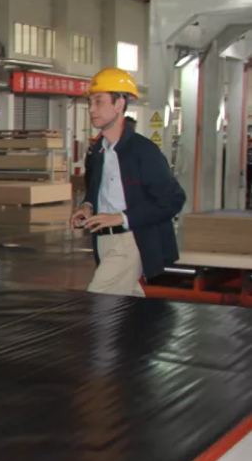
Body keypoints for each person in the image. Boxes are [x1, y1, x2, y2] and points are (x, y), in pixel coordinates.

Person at [70, 68, 186, 296]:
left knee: (98, 300)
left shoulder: (143, 151)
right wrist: (87, 205)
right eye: (90, 101)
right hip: (103, 240)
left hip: (131, 239)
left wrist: (121, 218)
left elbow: (173, 200)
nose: (91, 108)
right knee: (128, 306)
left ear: (119, 104)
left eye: (99, 101)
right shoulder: (98, 150)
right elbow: (96, 187)